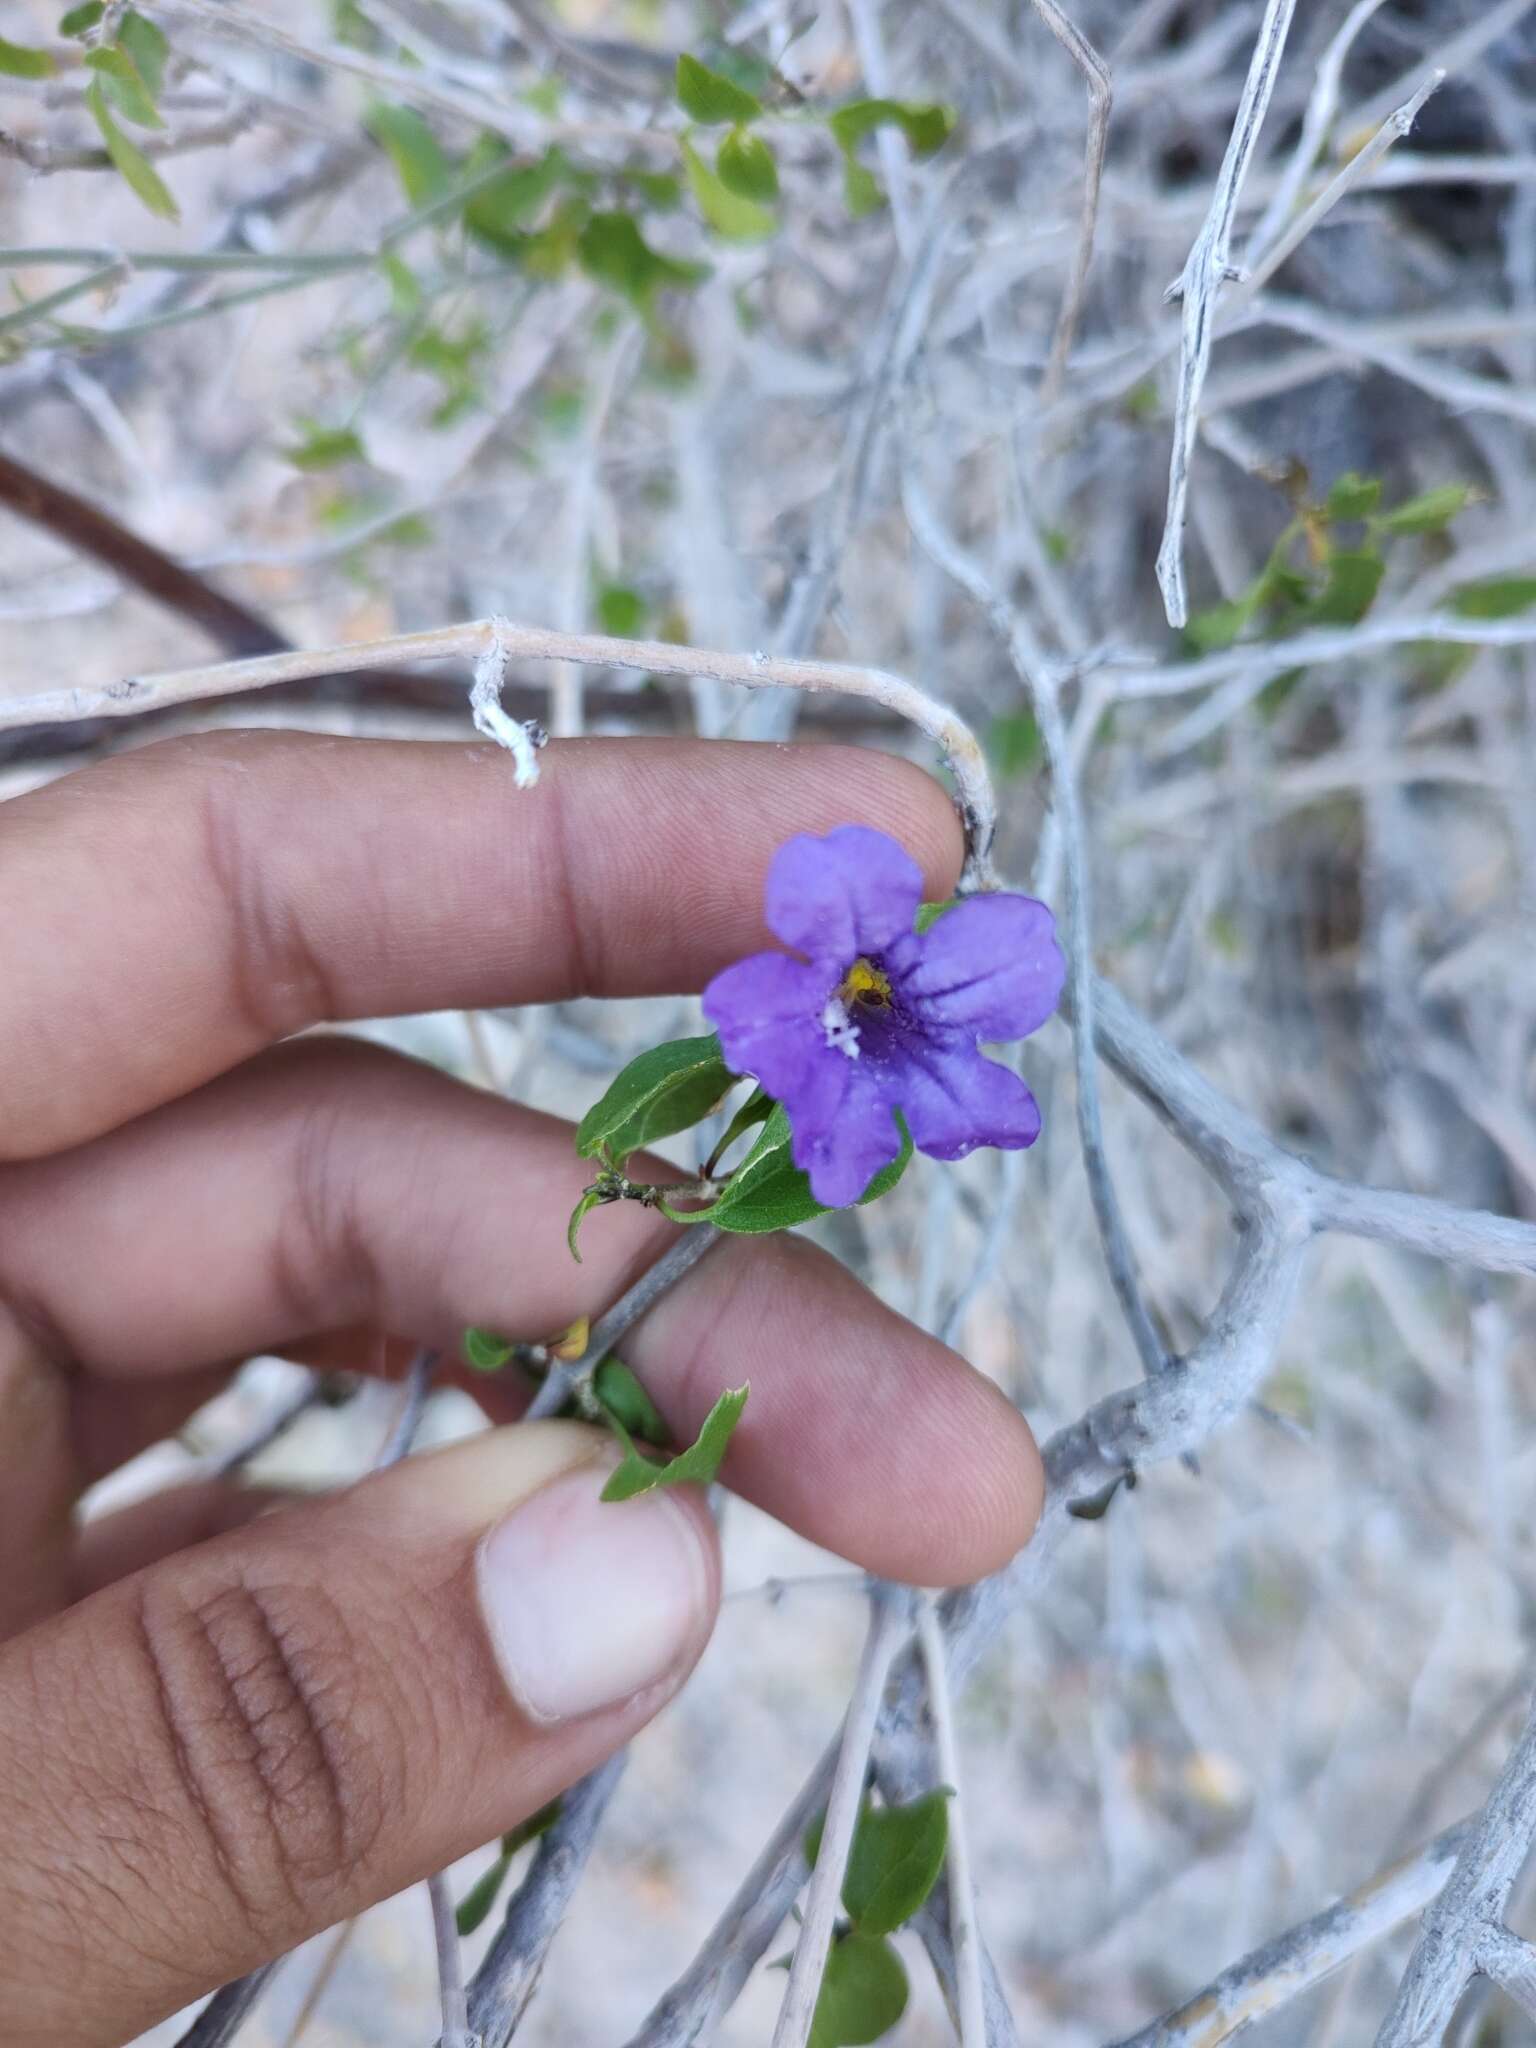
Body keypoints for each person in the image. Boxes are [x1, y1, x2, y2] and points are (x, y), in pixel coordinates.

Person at [0, 730, 1044, 2048]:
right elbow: (787, 1037)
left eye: (867, 989)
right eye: (853, 984)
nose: (863, 1000)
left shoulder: (874, 1032)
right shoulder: (796, 1018)